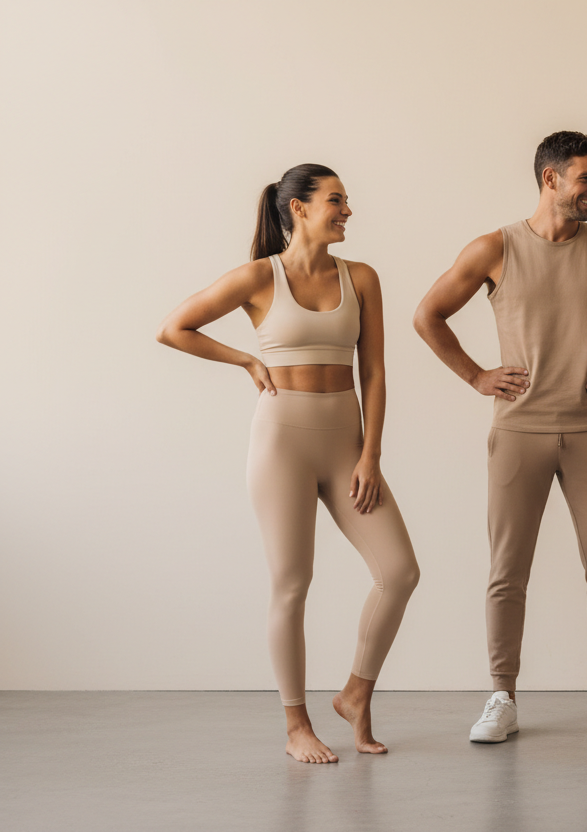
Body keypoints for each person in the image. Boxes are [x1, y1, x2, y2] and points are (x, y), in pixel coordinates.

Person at [414, 131, 587, 743]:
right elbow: (428, 315)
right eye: (586, 179)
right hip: (518, 431)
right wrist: (476, 375)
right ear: (550, 178)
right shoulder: (495, 248)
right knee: (508, 570)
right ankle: (501, 696)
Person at [157, 164, 420, 764]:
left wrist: (371, 454)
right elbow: (174, 328)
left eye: (346, 200)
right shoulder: (259, 276)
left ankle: (356, 694)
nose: (347, 210)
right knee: (292, 584)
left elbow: (375, 372)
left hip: (347, 443)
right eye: (336, 200)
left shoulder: (362, 278)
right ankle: (296, 725)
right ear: (298, 208)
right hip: (282, 443)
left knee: (399, 571)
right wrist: (247, 361)